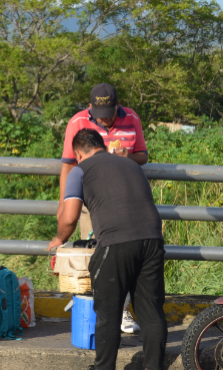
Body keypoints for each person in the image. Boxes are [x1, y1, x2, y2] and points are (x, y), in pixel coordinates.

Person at [49, 129, 166, 370]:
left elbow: (70, 218)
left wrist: (58, 239)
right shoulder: (132, 166)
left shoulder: (80, 170)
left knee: (108, 313)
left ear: (79, 154)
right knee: (151, 311)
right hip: (152, 239)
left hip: (116, 243)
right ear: (101, 145)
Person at [58, 83, 148, 334]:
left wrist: (126, 157)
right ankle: (97, 311)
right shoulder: (77, 122)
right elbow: (67, 165)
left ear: (118, 105)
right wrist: (63, 203)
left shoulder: (132, 118)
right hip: (92, 201)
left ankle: (122, 312)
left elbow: (143, 155)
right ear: (90, 108)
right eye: (100, 113)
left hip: (126, 200)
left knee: (125, 257)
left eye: (109, 112)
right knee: (96, 256)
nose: (105, 118)